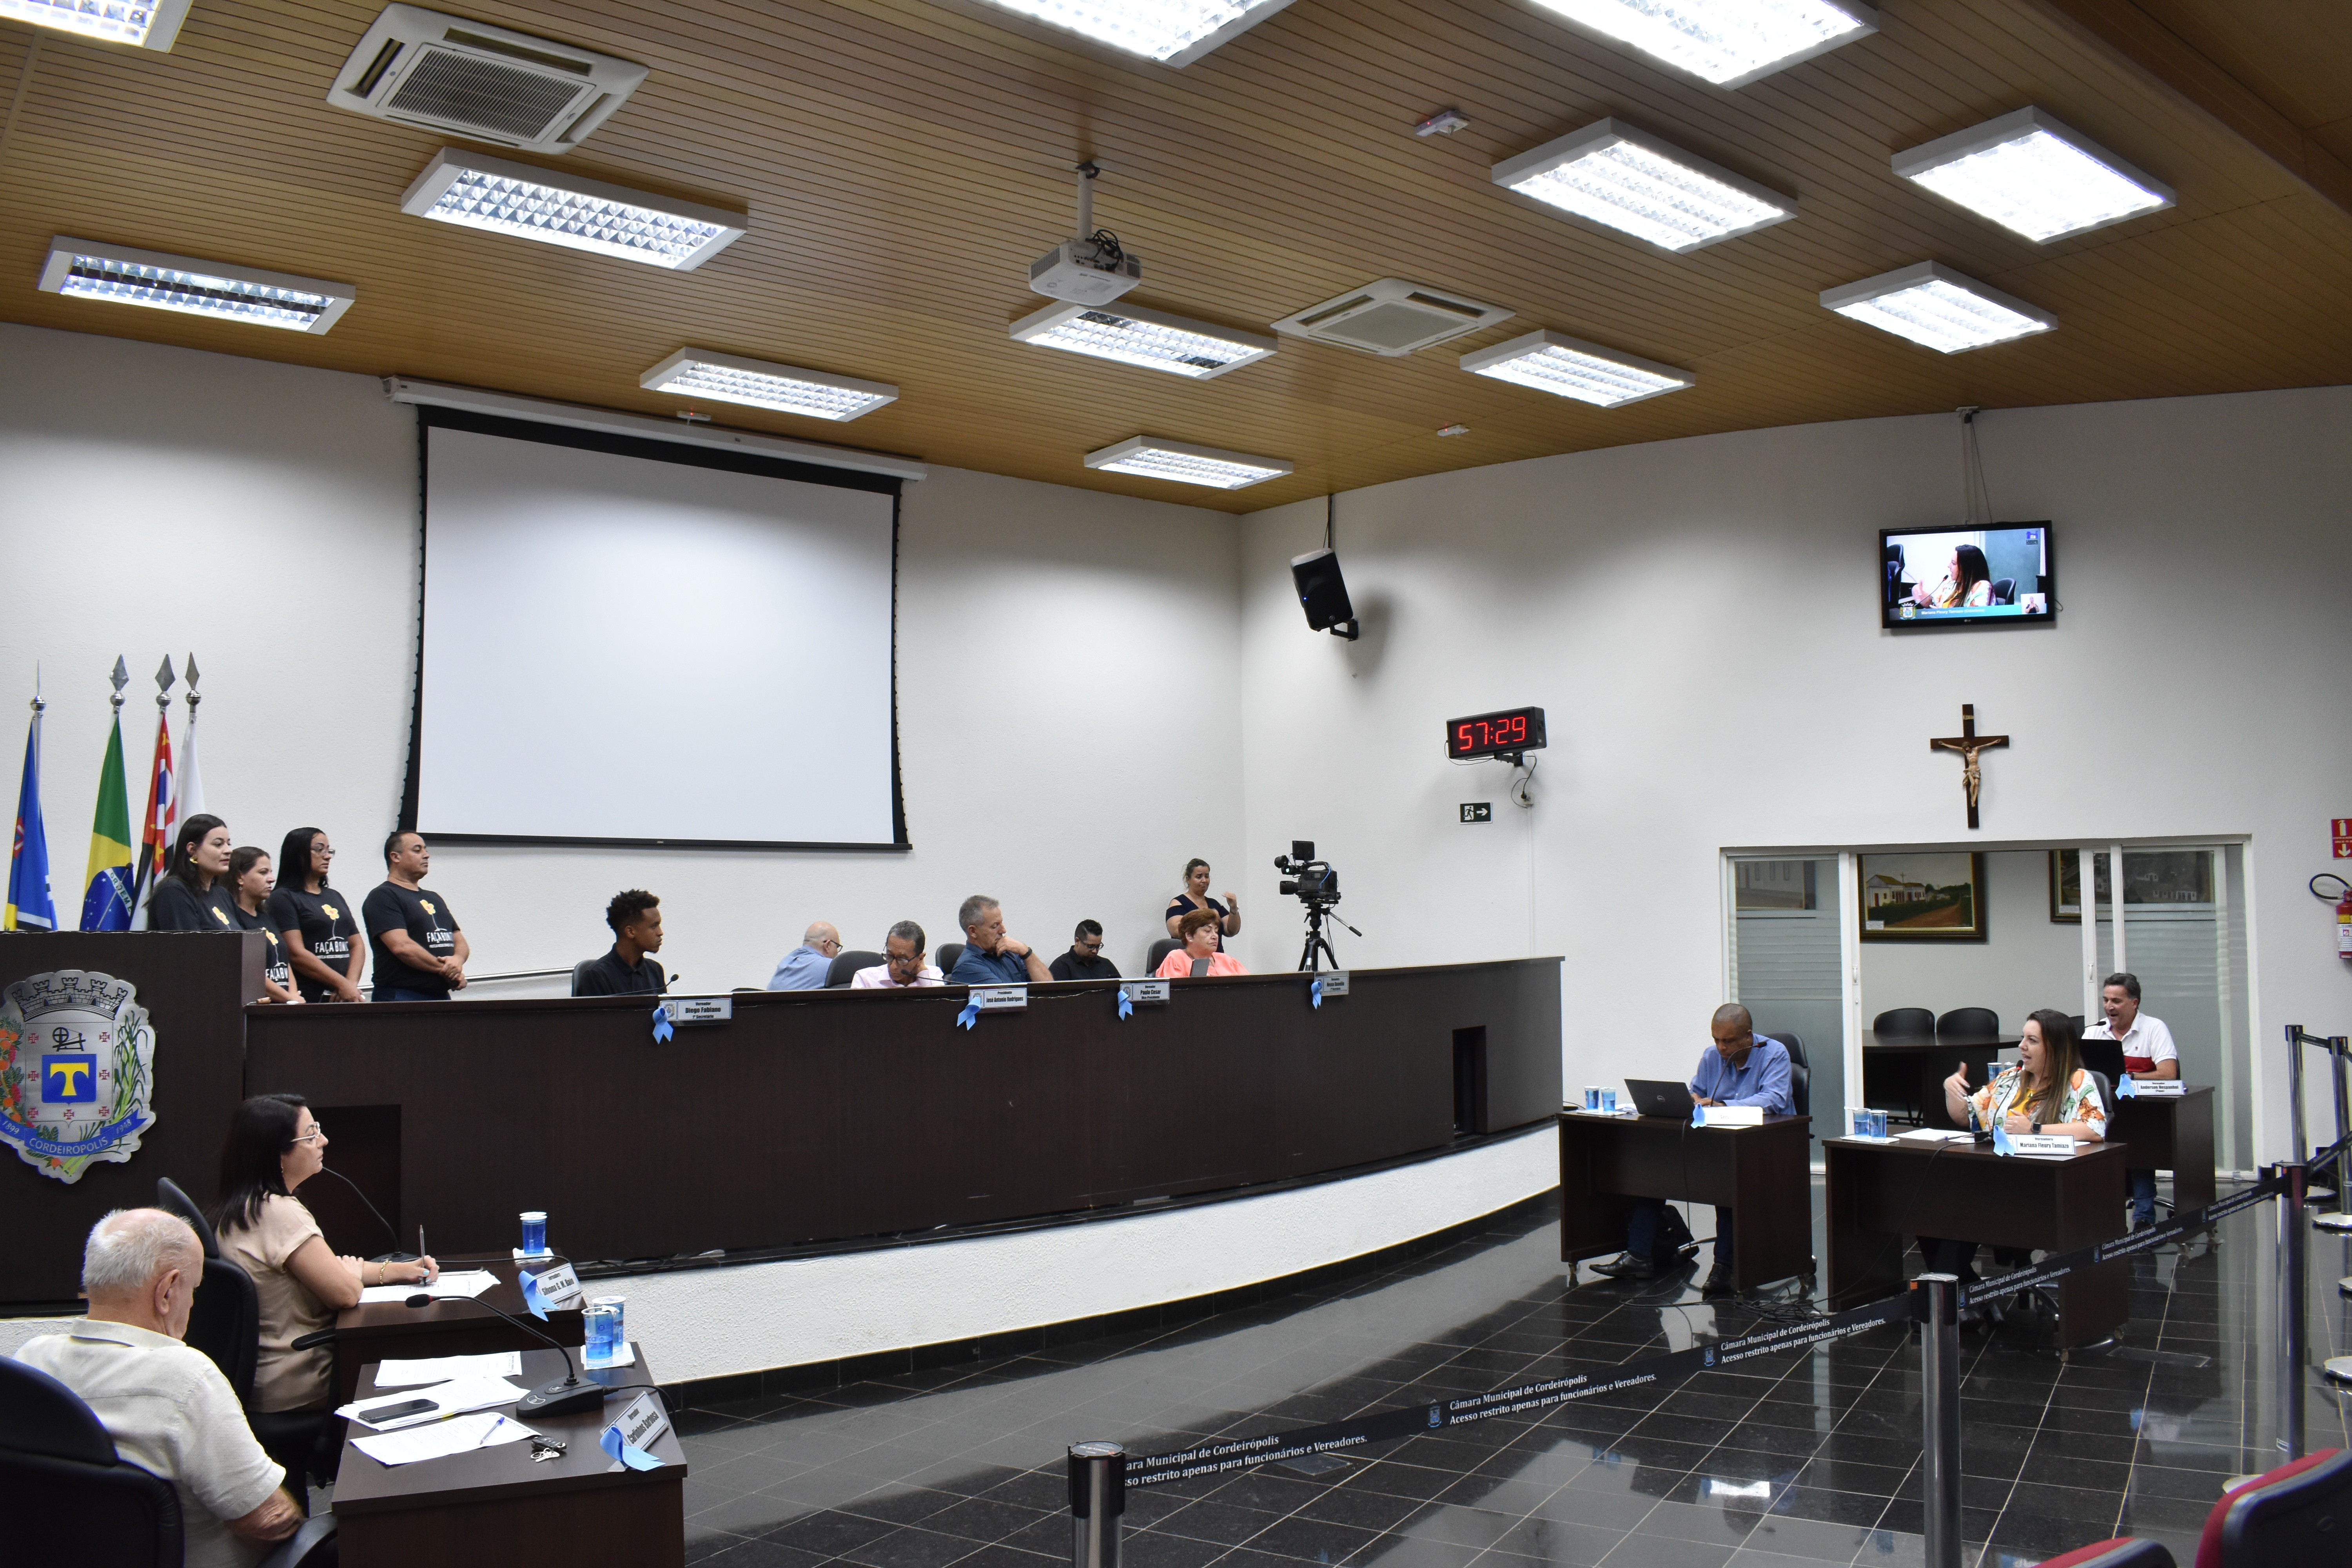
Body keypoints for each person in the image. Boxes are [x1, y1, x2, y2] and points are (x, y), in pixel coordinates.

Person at [15, 1209, 306, 1568]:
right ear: (167, 1290)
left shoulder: (30, 1362)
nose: (194, 1303)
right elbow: (268, 1522)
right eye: (194, 1289)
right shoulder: (185, 1378)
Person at [207, 1094, 438, 1419]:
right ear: (278, 1155)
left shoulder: (241, 1208)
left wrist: (402, 1271)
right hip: (302, 1381)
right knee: (422, 1368)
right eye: (311, 1134)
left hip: (265, 1381)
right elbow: (345, 1293)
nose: (324, 1140)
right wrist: (348, 1278)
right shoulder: (280, 1213)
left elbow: (333, 1272)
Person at [1592, 1005, 1792, 1296]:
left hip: (1765, 1144)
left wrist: (1722, 1105)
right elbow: (1696, 1092)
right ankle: (1639, 1256)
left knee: (1728, 1184)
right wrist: (1692, 1100)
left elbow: (1774, 1099)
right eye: (1717, 1040)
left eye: (1729, 1041)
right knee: (1655, 1172)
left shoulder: (1775, 1054)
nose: (1722, 1048)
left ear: (1748, 1037)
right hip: (1716, 1140)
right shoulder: (1712, 1056)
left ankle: (1725, 1267)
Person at [1924, 1009, 2107, 1285]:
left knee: (1961, 1210)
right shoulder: (2010, 1078)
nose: (2022, 1046)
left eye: (2032, 1041)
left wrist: (2034, 1129)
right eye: (2023, 1038)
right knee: (1926, 1210)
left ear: (2055, 1048)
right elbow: (1967, 1116)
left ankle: (1952, 1298)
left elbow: (2094, 1129)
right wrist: (1952, 1091)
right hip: (1994, 1180)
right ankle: (1965, 1294)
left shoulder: (2077, 1080)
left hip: (2039, 1191)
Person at [2085, 971, 2179, 1227]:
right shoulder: (2094, 1033)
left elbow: (2168, 1073)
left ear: (2134, 1003)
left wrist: (2131, 1077)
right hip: (2103, 1111)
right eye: (2106, 1000)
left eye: (2116, 1001)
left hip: (2142, 1113)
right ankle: (2104, 1221)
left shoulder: (2154, 1028)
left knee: (2139, 1143)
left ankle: (2144, 1219)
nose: (2109, 1007)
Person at [363, 831, 467, 1001]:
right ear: (396, 857)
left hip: (440, 995)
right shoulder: (383, 897)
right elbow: (402, 947)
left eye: (425, 850)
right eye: (417, 850)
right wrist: (448, 971)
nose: (426, 855)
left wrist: (457, 960)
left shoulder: (434, 898)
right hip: (402, 996)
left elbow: (459, 940)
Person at [267, 828, 364, 1004]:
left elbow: (357, 944)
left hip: (343, 996)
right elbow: (296, 953)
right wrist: (341, 984)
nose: (327, 857)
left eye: (329, 851)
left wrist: (350, 984)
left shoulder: (334, 896)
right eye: (320, 850)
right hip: (309, 998)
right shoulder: (283, 898)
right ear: (298, 854)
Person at [225, 846, 298, 1004]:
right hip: (260, 1009)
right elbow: (249, 971)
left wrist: (293, 994)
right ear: (240, 878)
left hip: (285, 1005)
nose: (272, 879)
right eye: (263, 873)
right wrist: (289, 999)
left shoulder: (266, 917)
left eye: (271, 872)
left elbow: (284, 960)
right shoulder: (234, 920)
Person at [145, 813, 237, 931]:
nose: (229, 851)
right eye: (218, 844)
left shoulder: (223, 894)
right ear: (192, 850)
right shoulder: (173, 891)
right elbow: (187, 942)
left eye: (228, 844)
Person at [577, 889, 668, 996]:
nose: (660, 933)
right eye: (654, 926)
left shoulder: (655, 970)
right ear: (630, 932)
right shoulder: (597, 975)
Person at [946, 895, 1051, 984]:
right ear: (973, 931)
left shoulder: (1011, 954)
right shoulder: (967, 966)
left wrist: (1026, 952)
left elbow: (1048, 989)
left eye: (1002, 923)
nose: (1003, 930)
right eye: (995, 926)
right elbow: (1008, 998)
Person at [1164, 858, 1240, 951]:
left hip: (1216, 957)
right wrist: (1207, 917)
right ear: (1188, 879)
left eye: (1207, 876)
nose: (1204, 880)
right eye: (1199, 877)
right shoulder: (1178, 903)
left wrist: (1233, 909)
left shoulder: (1214, 904)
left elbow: (1232, 931)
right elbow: (1176, 931)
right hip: (1189, 958)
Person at [1155, 908, 1247, 978]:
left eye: (1216, 931)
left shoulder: (1227, 960)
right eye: (1208, 931)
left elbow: (1250, 987)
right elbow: (1173, 994)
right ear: (1190, 936)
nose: (1215, 936)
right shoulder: (1176, 959)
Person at [851, 921, 944, 987]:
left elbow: (939, 1008)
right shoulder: (865, 979)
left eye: (902, 959)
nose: (893, 967)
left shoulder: (933, 976)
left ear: (920, 959)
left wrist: (923, 975)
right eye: (890, 956)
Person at [1910, 543, 1993, 609]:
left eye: (1953, 563)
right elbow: (1932, 602)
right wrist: (1919, 592)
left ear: (1966, 568)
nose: (1949, 566)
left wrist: (1943, 615)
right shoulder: (1951, 585)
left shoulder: (1982, 586)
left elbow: (1976, 618)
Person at [767, 922, 842, 989]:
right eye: (837, 947)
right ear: (828, 946)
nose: (837, 953)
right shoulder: (831, 967)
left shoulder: (786, 962)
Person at [1050, 919, 1121, 982]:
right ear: (1077, 941)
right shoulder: (1061, 967)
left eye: (1098, 946)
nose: (1095, 951)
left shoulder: (1106, 965)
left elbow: (1123, 989)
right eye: (1091, 946)